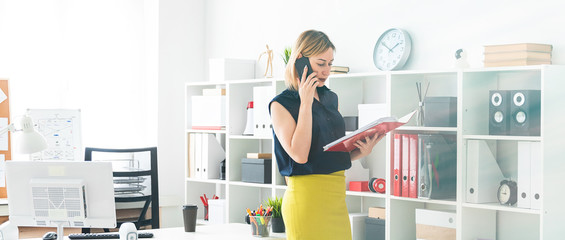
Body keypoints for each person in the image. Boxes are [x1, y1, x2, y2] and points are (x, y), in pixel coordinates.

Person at [269, 30, 384, 240]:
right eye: (320, 63)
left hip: (337, 198)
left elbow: (327, 155)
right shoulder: (281, 105)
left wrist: (360, 152)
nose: (327, 71)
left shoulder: (331, 98)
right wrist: (305, 104)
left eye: (330, 64)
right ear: (300, 61)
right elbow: (300, 156)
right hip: (306, 202)